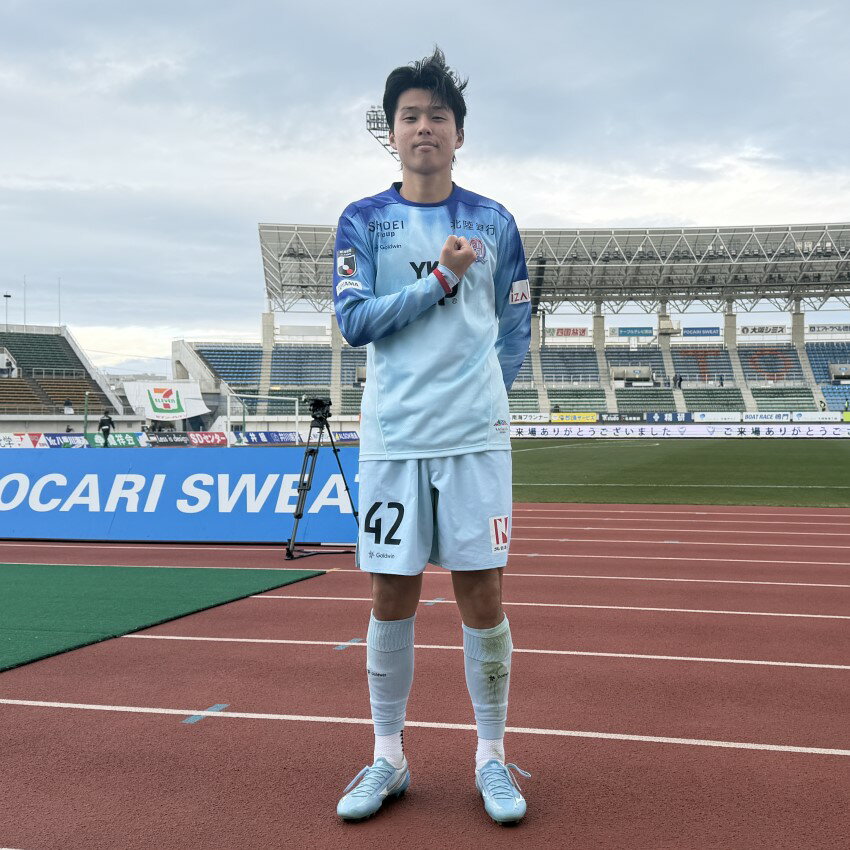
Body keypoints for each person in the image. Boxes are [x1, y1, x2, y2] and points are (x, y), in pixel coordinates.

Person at [332, 47, 531, 824]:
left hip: (474, 438)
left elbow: (513, 329)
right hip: (393, 436)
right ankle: (388, 755)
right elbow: (355, 321)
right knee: (392, 593)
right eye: (410, 116)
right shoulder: (362, 221)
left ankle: (492, 757)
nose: (424, 128)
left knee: (482, 593)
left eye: (437, 116)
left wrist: (483, 397)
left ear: (459, 133)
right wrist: (441, 279)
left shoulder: (495, 222)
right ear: (392, 133)